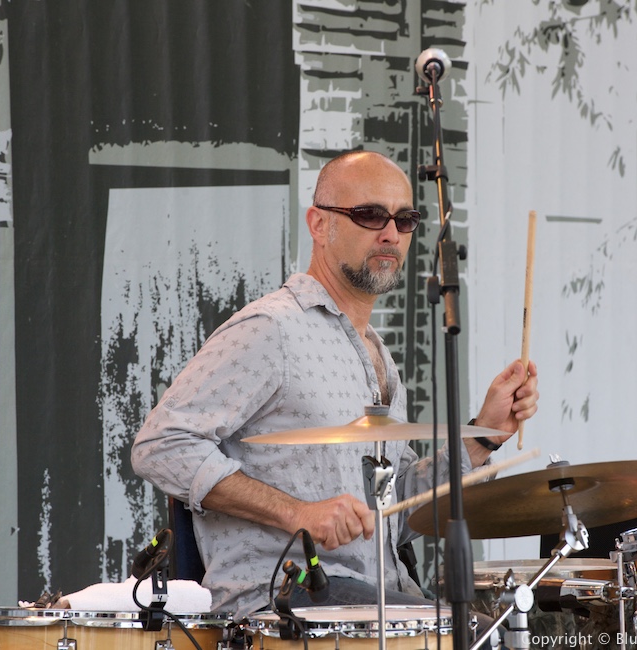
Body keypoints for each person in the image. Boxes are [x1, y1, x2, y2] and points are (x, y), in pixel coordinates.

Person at [131, 150, 539, 621]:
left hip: (374, 598)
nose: (391, 234)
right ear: (319, 224)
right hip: (285, 601)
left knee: (495, 631)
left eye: (405, 220)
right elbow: (160, 445)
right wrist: (298, 513)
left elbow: (395, 513)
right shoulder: (271, 329)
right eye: (370, 215)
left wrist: (484, 435)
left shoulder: (379, 356)